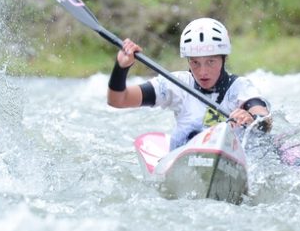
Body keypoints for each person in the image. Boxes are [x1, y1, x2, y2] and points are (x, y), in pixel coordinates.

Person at [106, 17, 271, 150]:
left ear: (224, 58)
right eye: (195, 63)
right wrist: (121, 67)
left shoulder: (241, 88)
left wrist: (251, 118)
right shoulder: (176, 84)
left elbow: (264, 118)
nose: (202, 71)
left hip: (231, 157)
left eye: (211, 62)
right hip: (184, 153)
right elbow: (118, 100)